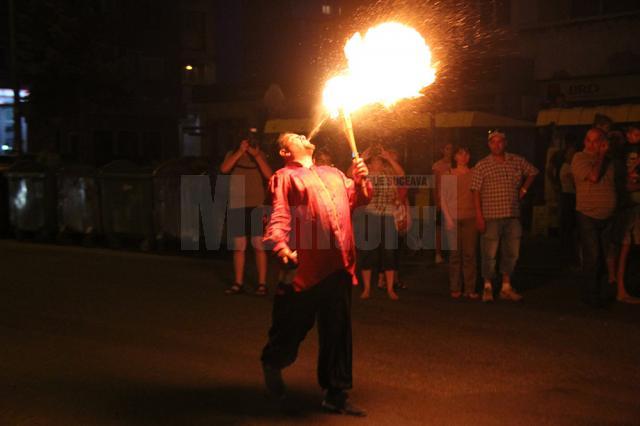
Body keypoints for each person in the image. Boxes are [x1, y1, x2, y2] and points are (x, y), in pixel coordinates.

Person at [260, 133, 371, 416]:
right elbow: (278, 215)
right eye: (293, 137)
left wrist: (360, 180)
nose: (301, 135)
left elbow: (359, 198)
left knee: (338, 333)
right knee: (291, 328)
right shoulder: (284, 176)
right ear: (285, 152)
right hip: (305, 268)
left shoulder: (333, 173)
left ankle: (336, 394)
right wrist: (280, 246)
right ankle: (274, 361)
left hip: (338, 265)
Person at [471, 130, 539, 303]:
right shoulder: (482, 165)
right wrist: (478, 215)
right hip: (491, 215)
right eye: (493, 142)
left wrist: (523, 189)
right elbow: (476, 192)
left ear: (505, 143)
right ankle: (487, 286)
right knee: (489, 253)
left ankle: (506, 286)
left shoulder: (516, 161)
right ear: (489, 144)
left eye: (500, 142)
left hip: (512, 215)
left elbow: (533, 172)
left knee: (511, 253)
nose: (497, 145)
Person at [219, 130, 273, 296]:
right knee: (239, 246)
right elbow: (224, 169)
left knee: (258, 244)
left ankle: (262, 284)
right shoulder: (232, 154)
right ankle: (238, 283)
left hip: (256, 205)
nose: (249, 143)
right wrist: (240, 152)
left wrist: (256, 156)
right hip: (237, 205)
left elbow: (269, 175)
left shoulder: (260, 155)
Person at [571, 128, 618, 308]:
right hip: (588, 214)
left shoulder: (610, 162)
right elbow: (594, 176)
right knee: (593, 256)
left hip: (608, 215)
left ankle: (600, 289)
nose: (592, 144)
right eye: (589, 140)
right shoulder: (579, 158)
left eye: (596, 140)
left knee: (605, 255)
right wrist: (600, 156)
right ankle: (590, 295)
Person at [358, 144, 404, 300]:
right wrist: (361, 158)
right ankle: (366, 289)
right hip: (370, 216)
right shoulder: (365, 174)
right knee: (367, 252)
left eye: (379, 160)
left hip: (388, 215)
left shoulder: (388, 173)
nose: (377, 163)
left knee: (389, 253)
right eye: (374, 160)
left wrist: (389, 158)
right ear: (370, 164)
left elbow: (401, 174)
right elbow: (349, 173)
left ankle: (390, 289)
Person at [441, 146, 478, 299]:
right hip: (454, 217)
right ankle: (455, 287)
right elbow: (443, 198)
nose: (463, 157)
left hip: (470, 217)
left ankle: (470, 288)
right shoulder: (449, 174)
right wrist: (448, 218)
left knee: (470, 254)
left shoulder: (474, 174)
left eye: (466, 154)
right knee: (455, 255)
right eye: (460, 154)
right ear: (455, 157)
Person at [613, 125, 640, 303]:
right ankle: (621, 287)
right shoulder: (620, 156)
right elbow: (624, 184)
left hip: (634, 203)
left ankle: (624, 286)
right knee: (625, 245)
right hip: (628, 205)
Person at [432, 142, 453, 264]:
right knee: (439, 228)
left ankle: (452, 253)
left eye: (451, 149)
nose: (449, 151)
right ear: (442, 150)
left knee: (452, 229)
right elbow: (435, 184)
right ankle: (438, 254)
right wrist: (436, 202)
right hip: (441, 200)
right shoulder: (437, 165)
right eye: (447, 148)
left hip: (453, 201)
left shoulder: (456, 164)